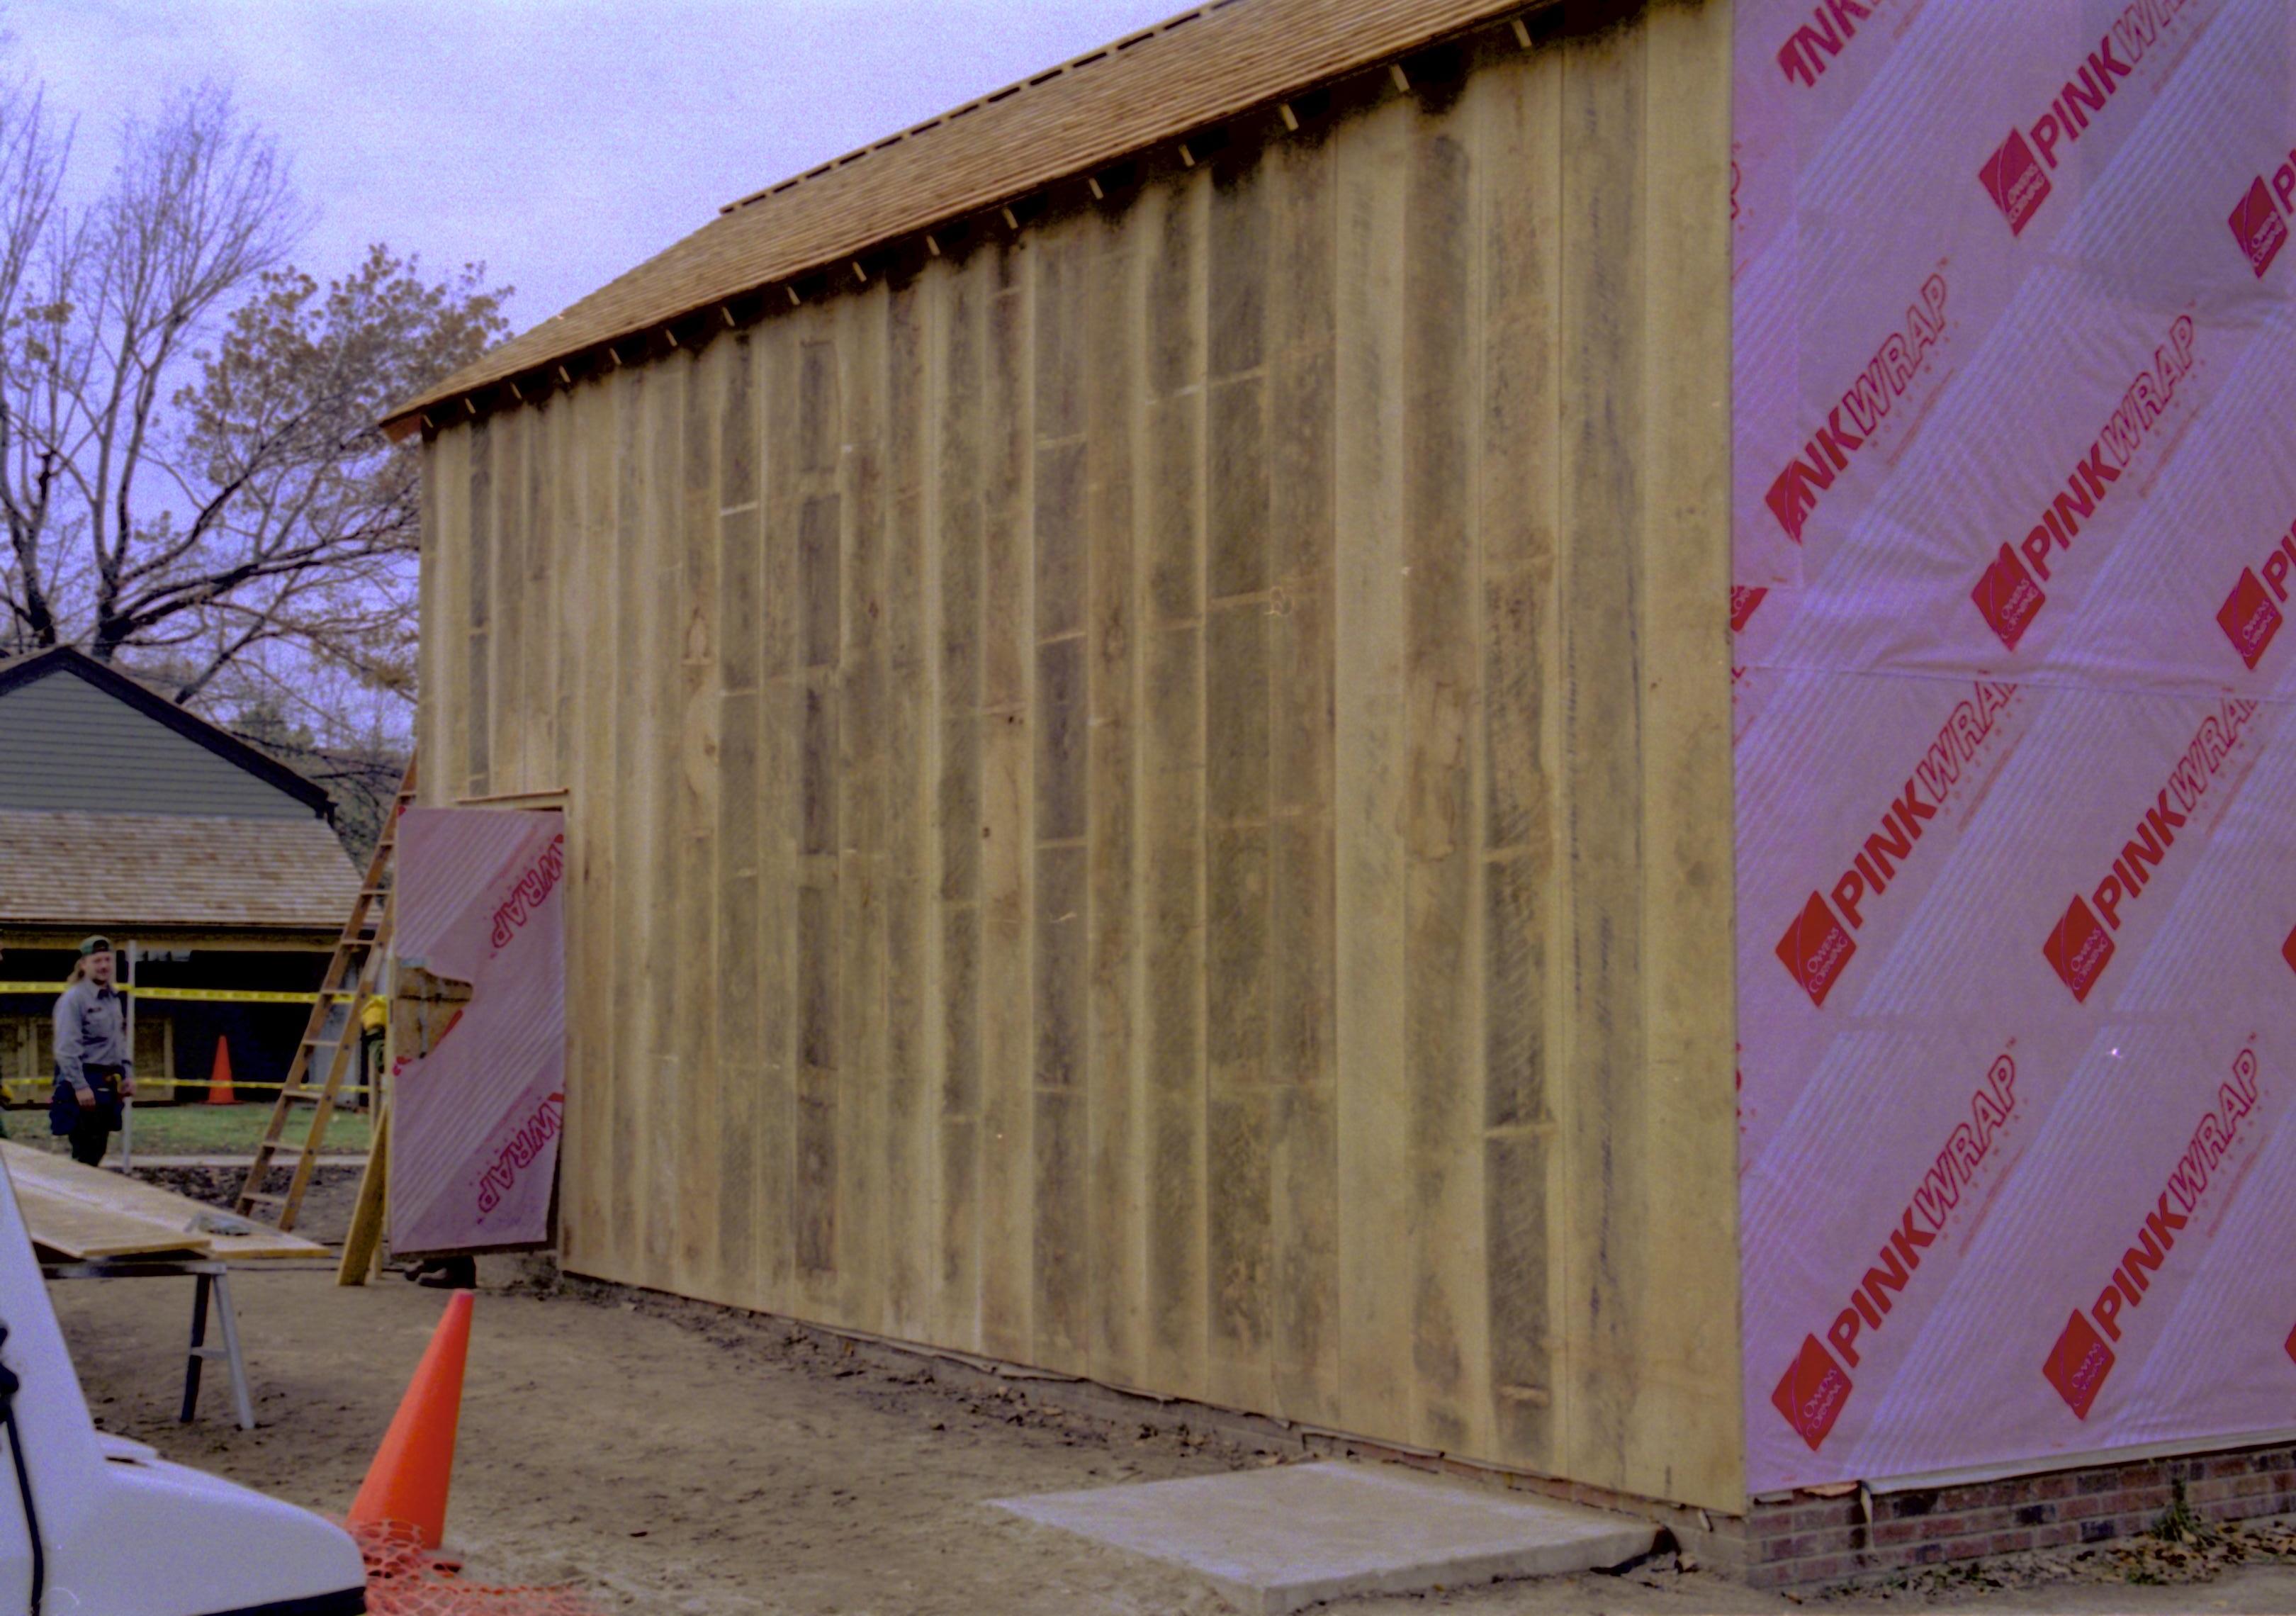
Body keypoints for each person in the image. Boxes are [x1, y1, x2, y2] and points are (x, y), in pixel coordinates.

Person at [50, 936, 133, 1167]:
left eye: (108, 960)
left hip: (109, 1083)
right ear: (84, 964)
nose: (104, 966)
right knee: (84, 1154)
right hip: (85, 1082)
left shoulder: (113, 998)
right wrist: (80, 1086)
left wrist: (127, 1074)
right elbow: (67, 1049)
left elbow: (119, 1040)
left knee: (97, 1151)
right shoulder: (74, 1000)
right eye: (97, 961)